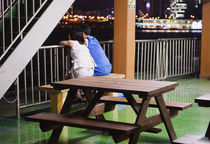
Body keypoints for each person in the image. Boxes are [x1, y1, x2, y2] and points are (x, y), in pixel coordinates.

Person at [60, 29, 96, 101]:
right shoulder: (84, 44)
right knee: (71, 75)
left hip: (82, 71)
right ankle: (77, 95)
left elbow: (61, 42)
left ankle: (76, 96)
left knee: (69, 78)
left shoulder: (72, 43)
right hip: (91, 69)